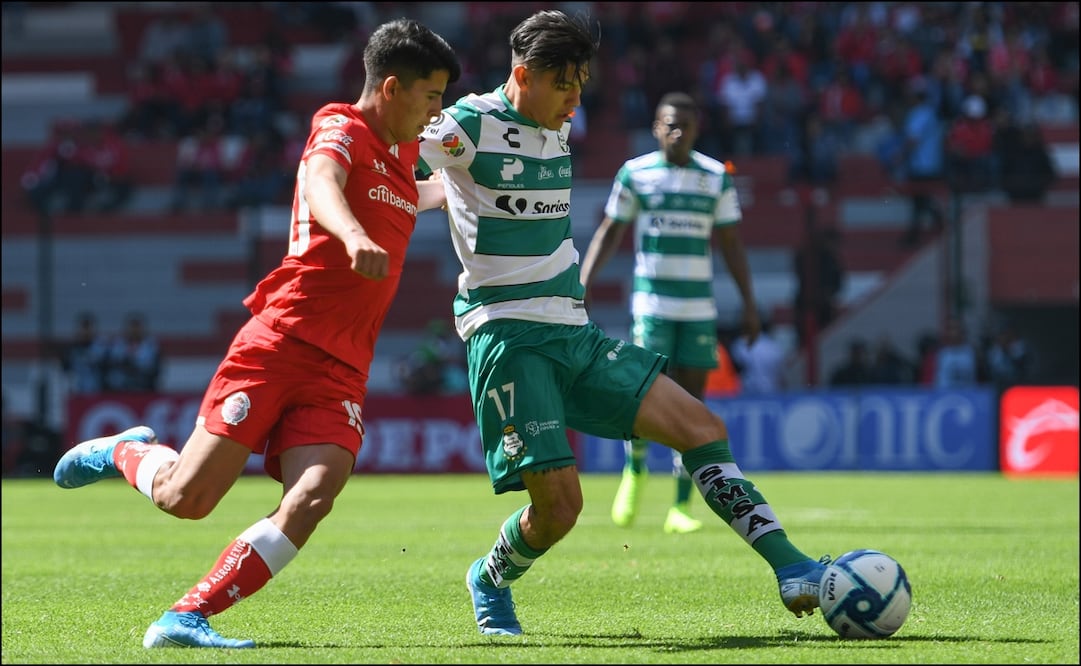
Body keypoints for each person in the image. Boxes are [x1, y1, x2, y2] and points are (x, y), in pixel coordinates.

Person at [417, 9, 828, 637]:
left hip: (573, 331)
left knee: (702, 424)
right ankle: (490, 577)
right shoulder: (468, 123)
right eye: (565, 84)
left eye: (583, 82)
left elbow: (462, 188)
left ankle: (792, 568)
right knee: (560, 510)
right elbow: (400, 156)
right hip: (508, 336)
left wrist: (448, 192)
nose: (576, 99)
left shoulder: (552, 122)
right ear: (522, 75)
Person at [52, 19, 461, 649]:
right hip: (281, 341)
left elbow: (420, 194)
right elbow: (320, 181)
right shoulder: (340, 127)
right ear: (390, 87)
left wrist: (469, 193)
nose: (437, 112)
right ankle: (121, 452)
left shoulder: (406, 156)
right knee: (186, 498)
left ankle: (187, 615)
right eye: (431, 96)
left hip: (343, 367)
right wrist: (353, 236)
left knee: (315, 493)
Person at [579, 91, 761, 535]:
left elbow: (732, 245)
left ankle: (681, 507)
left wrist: (750, 304)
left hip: (698, 308)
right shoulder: (636, 174)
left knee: (693, 407)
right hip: (653, 305)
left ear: (697, 129)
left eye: (685, 124)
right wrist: (580, 284)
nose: (677, 132)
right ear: (657, 127)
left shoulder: (715, 177)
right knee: (644, 398)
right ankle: (635, 471)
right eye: (669, 124)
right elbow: (611, 230)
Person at [102, 311, 162, 393]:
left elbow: (155, 369)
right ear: (126, 328)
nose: (135, 330)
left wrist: (136, 367)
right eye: (132, 326)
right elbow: (110, 365)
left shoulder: (151, 346)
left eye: (137, 326)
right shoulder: (117, 345)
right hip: (120, 389)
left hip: (143, 388)